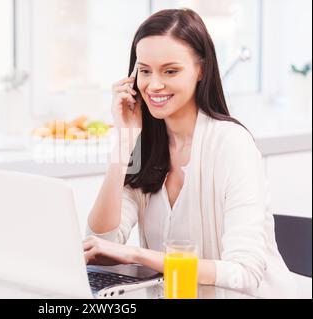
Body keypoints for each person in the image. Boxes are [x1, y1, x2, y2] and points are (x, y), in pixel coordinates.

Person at [83, 8, 296, 298]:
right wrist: (124, 140)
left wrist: (138, 255)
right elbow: (101, 243)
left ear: (201, 70)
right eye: (145, 70)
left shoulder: (231, 144)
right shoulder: (145, 146)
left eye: (170, 71)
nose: (154, 84)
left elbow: (245, 272)